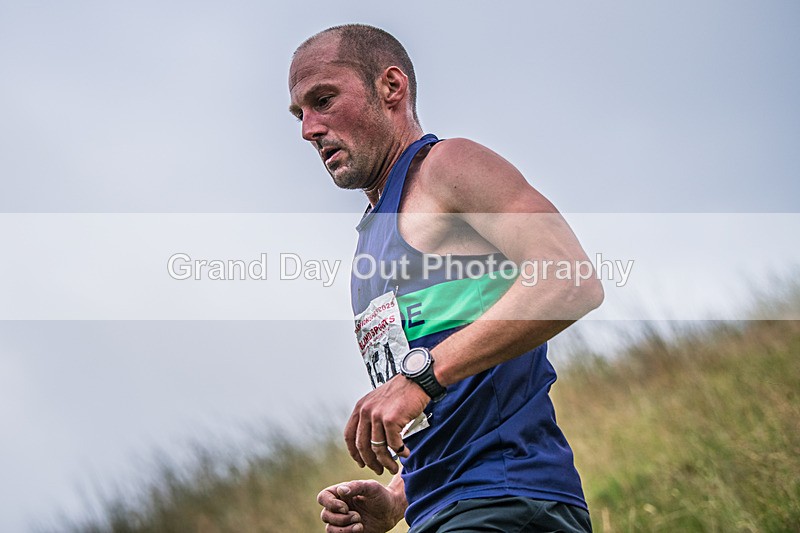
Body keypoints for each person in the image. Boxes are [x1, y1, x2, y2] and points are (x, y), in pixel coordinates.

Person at [288, 24, 604, 533]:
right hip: (448, 509)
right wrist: (399, 497)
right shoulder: (374, 234)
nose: (309, 129)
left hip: (505, 500)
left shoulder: (446, 167)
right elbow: (461, 403)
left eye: (323, 101)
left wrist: (418, 377)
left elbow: (571, 278)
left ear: (391, 87)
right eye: (299, 114)